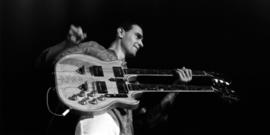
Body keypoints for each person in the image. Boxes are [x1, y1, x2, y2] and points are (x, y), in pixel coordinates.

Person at [36, 21, 192, 135]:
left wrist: (176, 89)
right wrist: (67, 44)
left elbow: (146, 122)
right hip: (96, 118)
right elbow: (47, 62)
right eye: (138, 36)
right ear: (121, 32)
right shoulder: (93, 49)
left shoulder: (132, 83)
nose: (141, 43)